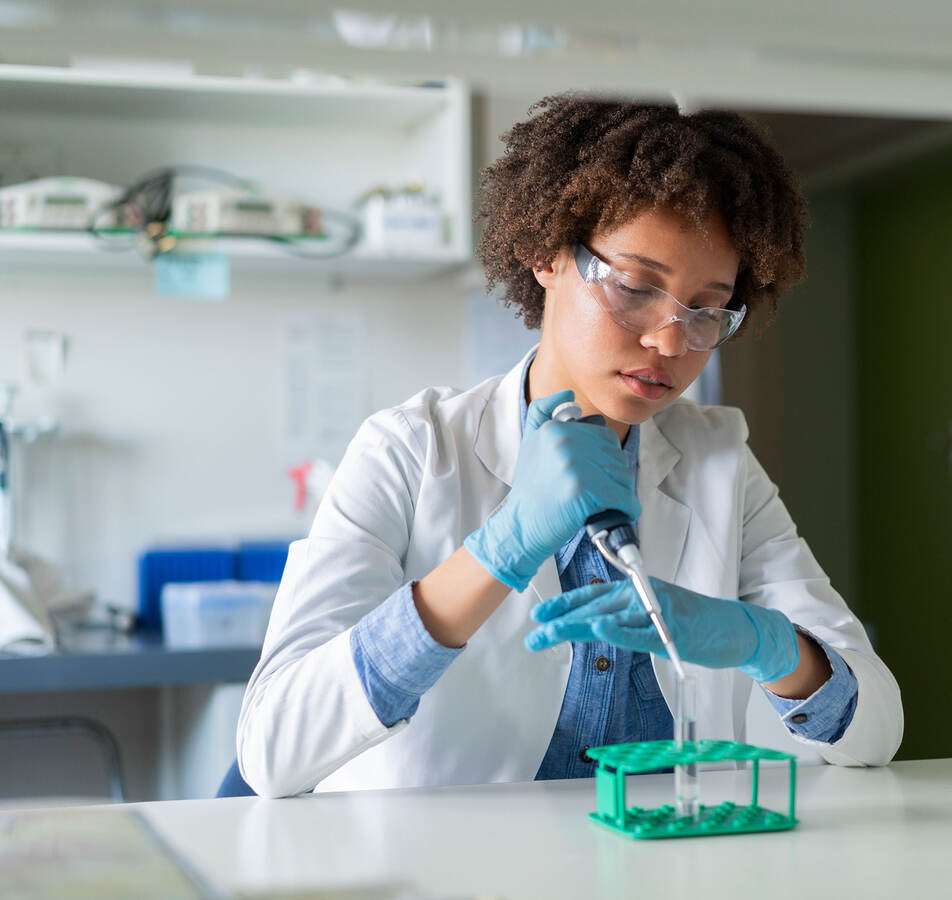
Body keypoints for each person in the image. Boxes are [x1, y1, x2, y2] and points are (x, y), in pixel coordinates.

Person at [237, 94, 903, 798]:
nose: (670, 343)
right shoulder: (408, 452)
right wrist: (498, 551)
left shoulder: (719, 459)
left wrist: (766, 643)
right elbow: (272, 750)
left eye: (707, 310)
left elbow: (876, 730)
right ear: (545, 253)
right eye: (635, 286)